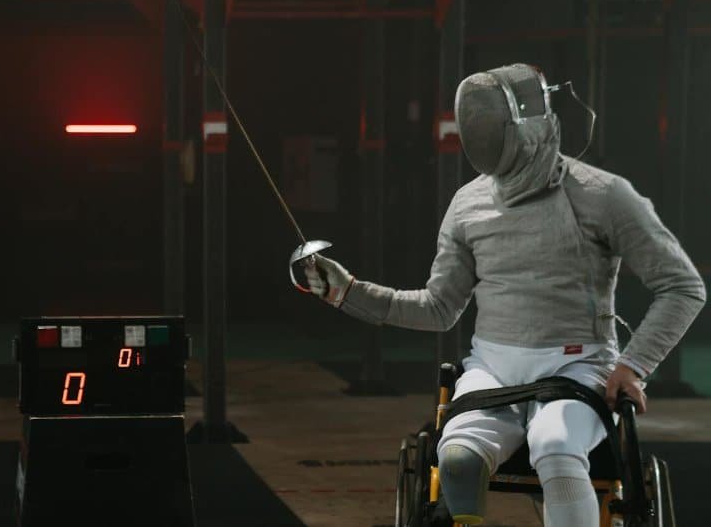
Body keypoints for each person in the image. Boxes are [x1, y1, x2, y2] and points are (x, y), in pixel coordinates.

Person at [301, 65, 704, 527]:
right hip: (493, 371)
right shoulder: (468, 204)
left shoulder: (603, 195)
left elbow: (683, 286)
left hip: (579, 367)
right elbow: (439, 307)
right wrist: (348, 292)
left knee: (555, 445)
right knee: (456, 458)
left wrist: (633, 365)